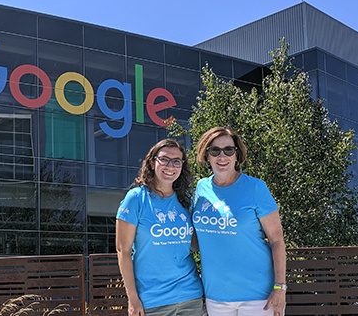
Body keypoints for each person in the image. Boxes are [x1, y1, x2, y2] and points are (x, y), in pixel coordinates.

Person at [192, 127, 287, 316]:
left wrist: (280, 287)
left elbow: (277, 241)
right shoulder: (201, 188)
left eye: (228, 150)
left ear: (237, 155)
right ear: (207, 155)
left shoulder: (256, 188)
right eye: (215, 150)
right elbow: (197, 238)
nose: (222, 156)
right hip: (216, 295)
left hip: (258, 296)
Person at [116, 139, 204, 316]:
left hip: (190, 295)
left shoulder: (185, 200)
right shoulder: (136, 198)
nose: (170, 166)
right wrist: (132, 299)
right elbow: (123, 251)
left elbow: (196, 245)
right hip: (152, 300)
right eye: (164, 159)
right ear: (152, 162)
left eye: (176, 161)